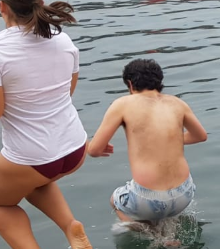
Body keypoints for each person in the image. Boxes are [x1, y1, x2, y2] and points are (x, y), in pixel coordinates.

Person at [0, 0, 93, 249]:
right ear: (40, 2)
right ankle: (69, 226)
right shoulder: (62, 39)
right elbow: (67, 92)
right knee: (33, 180)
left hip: (33, 157)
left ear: (1, 7)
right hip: (74, 149)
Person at [87, 59, 207, 223]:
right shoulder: (177, 103)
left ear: (130, 84)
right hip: (184, 196)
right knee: (169, 197)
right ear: (160, 81)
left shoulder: (122, 104)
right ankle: (168, 234)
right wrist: (168, 138)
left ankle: (150, 234)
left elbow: (94, 150)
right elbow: (200, 136)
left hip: (147, 201)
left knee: (115, 200)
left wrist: (92, 146)